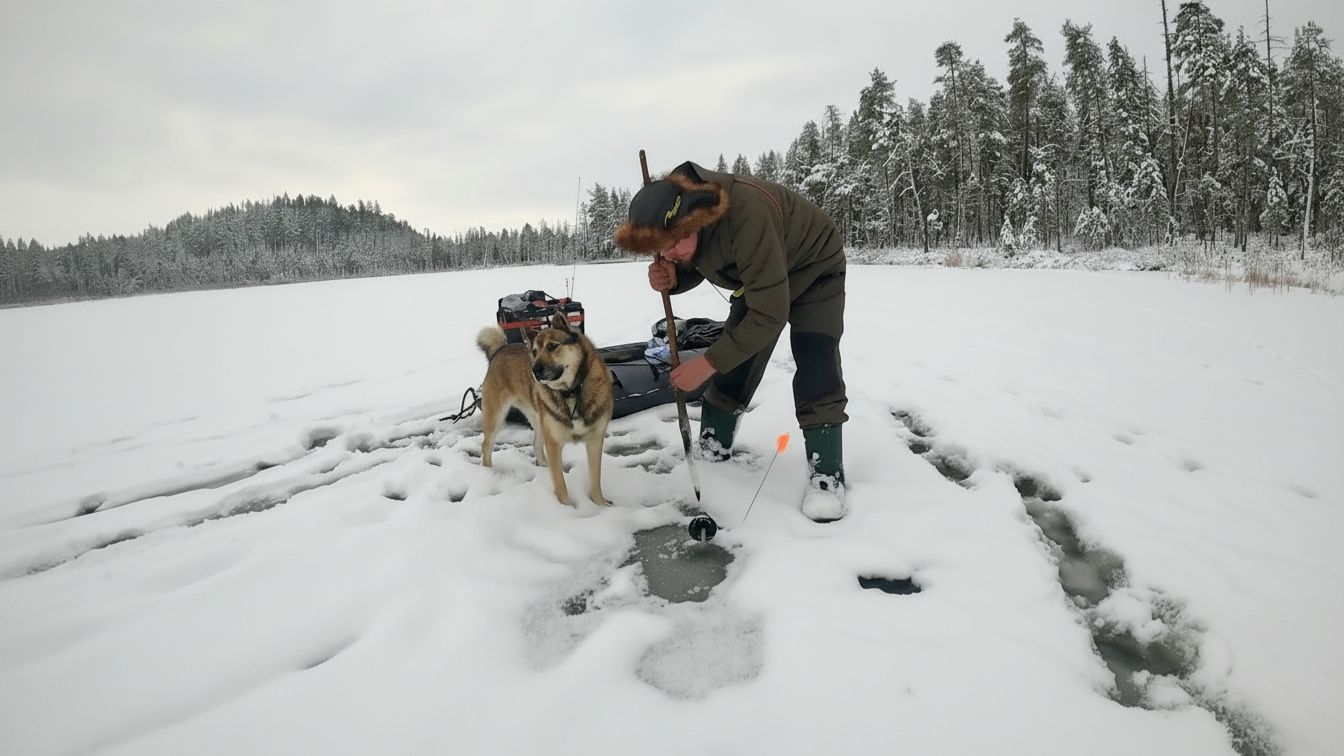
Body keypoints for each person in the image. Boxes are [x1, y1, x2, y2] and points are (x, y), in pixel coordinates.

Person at [612, 161, 849, 522]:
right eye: (662, 250)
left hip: (813, 267)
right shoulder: (693, 226)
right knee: (736, 357)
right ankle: (713, 446)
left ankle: (826, 475)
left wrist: (706, 363)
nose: (669, 253)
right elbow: (705, 257)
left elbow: (768, 315)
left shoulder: (747, 215)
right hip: (760, 277)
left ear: (694, 220)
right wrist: (674, 278)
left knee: (816, 359)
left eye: (672, 244)